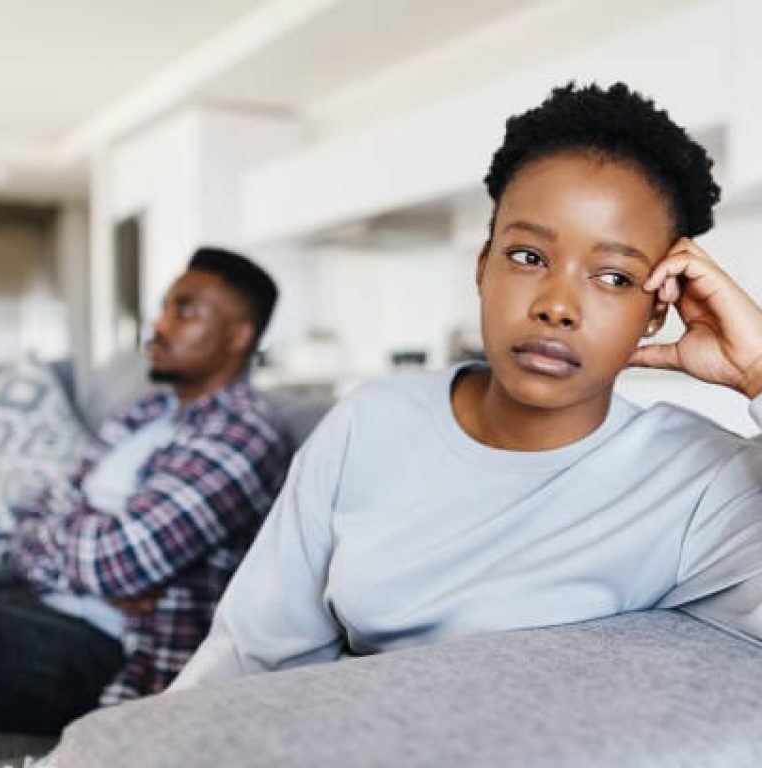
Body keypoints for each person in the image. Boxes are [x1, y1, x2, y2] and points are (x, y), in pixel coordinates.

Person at [171, 83, 762, 691]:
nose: (557, 306)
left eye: (613, 276)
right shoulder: (369, 421)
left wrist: (760, 368)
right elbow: (249, 652)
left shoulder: (697, 482)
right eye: (529, 257)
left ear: (656, 311)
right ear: (484, 268)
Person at [0, 247, 293, 735]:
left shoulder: (244, 433)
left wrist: (65, 538)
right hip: (36, 604)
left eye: (184, 310)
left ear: (239, 335)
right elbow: (36, 516)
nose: (158, 326)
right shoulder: (142, 416)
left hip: (113, 651)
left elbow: (124, 561)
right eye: (163, 308)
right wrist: (86, 553)